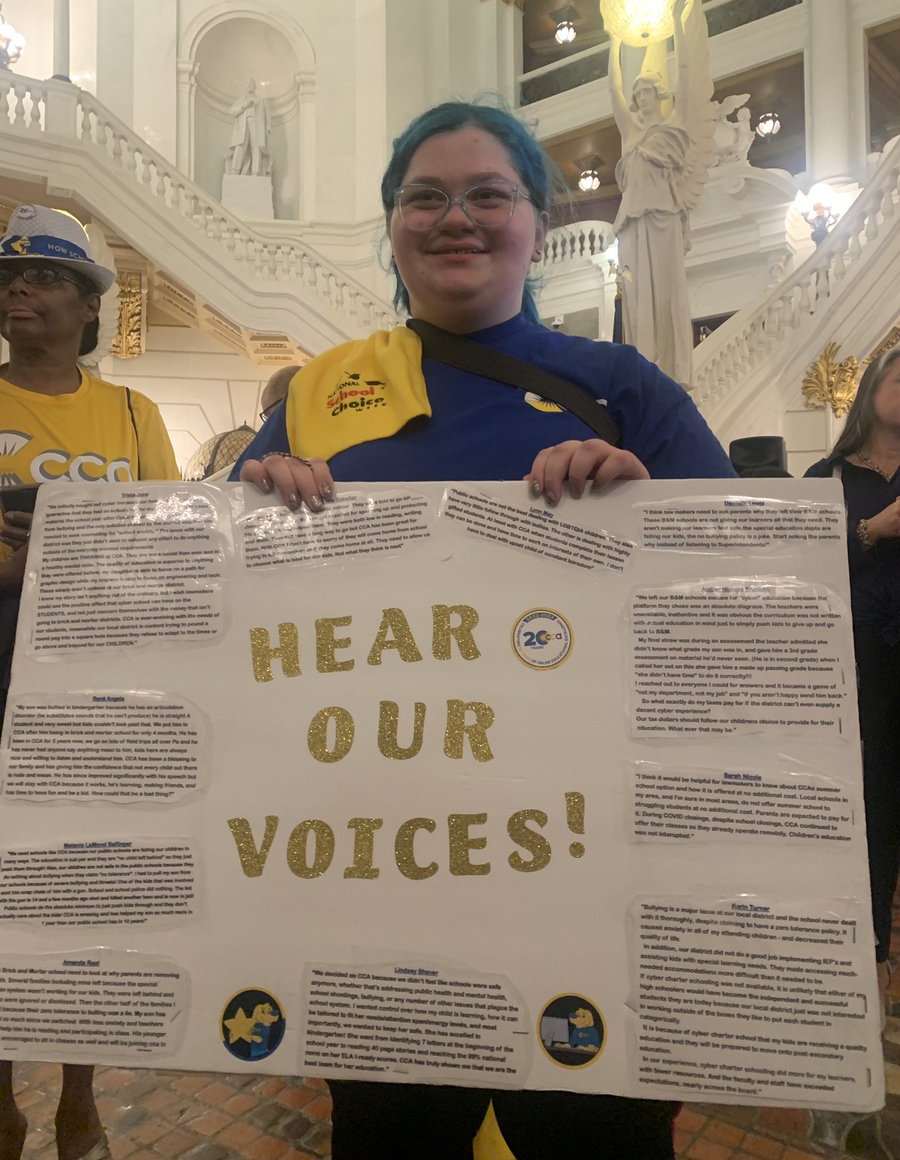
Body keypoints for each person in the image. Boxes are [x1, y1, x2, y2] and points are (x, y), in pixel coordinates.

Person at [234, 99, 735, 1159]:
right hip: (379, 851)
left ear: (537, 228)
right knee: (394, 1130)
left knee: (592, 1131)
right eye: (425, 197)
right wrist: (246, 508)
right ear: (392, 227)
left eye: (487, 195)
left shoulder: (620, 388)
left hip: (589, 854)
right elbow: (242, 621)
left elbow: (741, 594)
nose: (456, 217)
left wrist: (649, 508)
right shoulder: (318, 393)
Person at [0, 203, 179, 1160]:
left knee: (81, 891)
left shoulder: (131, 415)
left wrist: (69, 566)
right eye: (10, 275)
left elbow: (171, 542)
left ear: (85, 303)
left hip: (94, 675)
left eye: (43, 276)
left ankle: (78, 1095)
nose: (19, 288)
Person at [806, 348, 900, 1008]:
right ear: (871, 389)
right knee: (870, 810)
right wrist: (873, 530)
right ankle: (870, 954)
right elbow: (800, 571)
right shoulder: (827, 476)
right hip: (860, 667)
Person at [609, 0, 712, 389]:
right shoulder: (630, 134)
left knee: (668, 297)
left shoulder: (674, 127)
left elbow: (686, 71)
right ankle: (643, 371)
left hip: (665, 219)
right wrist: (614, 41)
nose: (640, 96)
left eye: (646, 90)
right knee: (636, 303)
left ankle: (675, 376)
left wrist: (676, 22)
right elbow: (612, 90)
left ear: (658, 94)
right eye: (637, 93)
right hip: (632, 223)